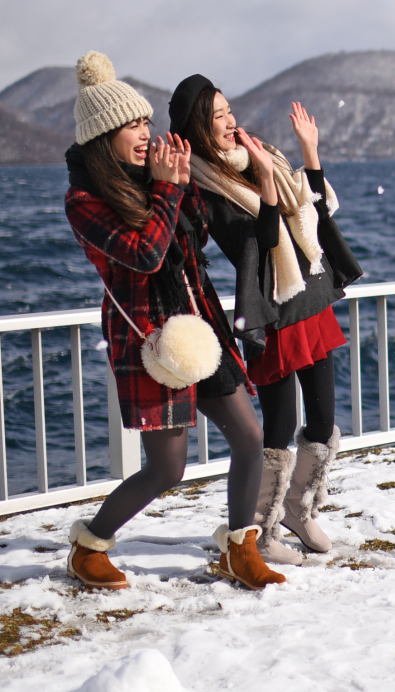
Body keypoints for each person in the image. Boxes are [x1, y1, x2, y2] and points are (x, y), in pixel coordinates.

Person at [62, 52, 284, 590]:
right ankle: (89, 545)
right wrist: (167, 188)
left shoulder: (157, 177)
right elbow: (145, 255)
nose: (144, 134)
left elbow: (192, 241)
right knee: (167, 469)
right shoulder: (85, 199)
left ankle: (240, 548)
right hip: (152, 342)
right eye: (131, 126)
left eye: (144, 122)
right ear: (103, 135)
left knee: (250, 436)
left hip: (198, 325)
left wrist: (185, 185)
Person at [169, 76, 363, 565]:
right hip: (272, 312)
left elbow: (313, 215)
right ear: (199, 127)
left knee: (323, 419)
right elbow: (261, 240)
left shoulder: (263, 156)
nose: (231, 122)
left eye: (230, 111)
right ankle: (263, 525)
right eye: (218, 117)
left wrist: (309, 154)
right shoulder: (207, 185)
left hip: (308, 301)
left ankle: (299, 508)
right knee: (279, 428)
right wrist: (267, 181)